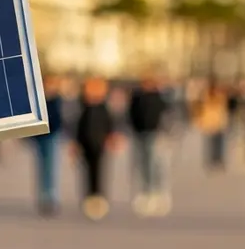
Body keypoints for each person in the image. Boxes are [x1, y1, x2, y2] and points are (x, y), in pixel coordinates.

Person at [72, 77, 122, 221]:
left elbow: (110, 126)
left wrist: (112, 140)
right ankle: (89, 197)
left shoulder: (104, 109)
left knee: (99, 172)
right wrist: (75, 144)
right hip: (85, 145)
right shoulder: (84, 109)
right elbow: (79, 129)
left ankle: (99, 198)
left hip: (99, 145)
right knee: (87, 173)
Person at [127, 73, 171, 216]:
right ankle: (145, 192)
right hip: (140, 133)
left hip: (155, 133)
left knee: (154, 164)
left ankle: (156, 192)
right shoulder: (137, 96)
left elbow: (166, 116)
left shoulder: (159, 97)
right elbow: (131, 114)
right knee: (142, 163)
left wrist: (163, 132)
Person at [31, 73, 66, 216]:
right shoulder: (40, 99)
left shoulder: (57, 100)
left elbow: (59, 119)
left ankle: (51, 198)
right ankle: (43, 197)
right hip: (41, 137)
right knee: (42, 168)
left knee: (51, 168)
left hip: (52, 136)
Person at [192, 77, 231, 172]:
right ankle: (211, 161)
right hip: (209, 123)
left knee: (219, 145)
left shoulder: (219, 96)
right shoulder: (205, 96)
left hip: (218, 123)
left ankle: (218, 160)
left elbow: (223, 108)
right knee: (211, 144)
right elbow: (199, 109)